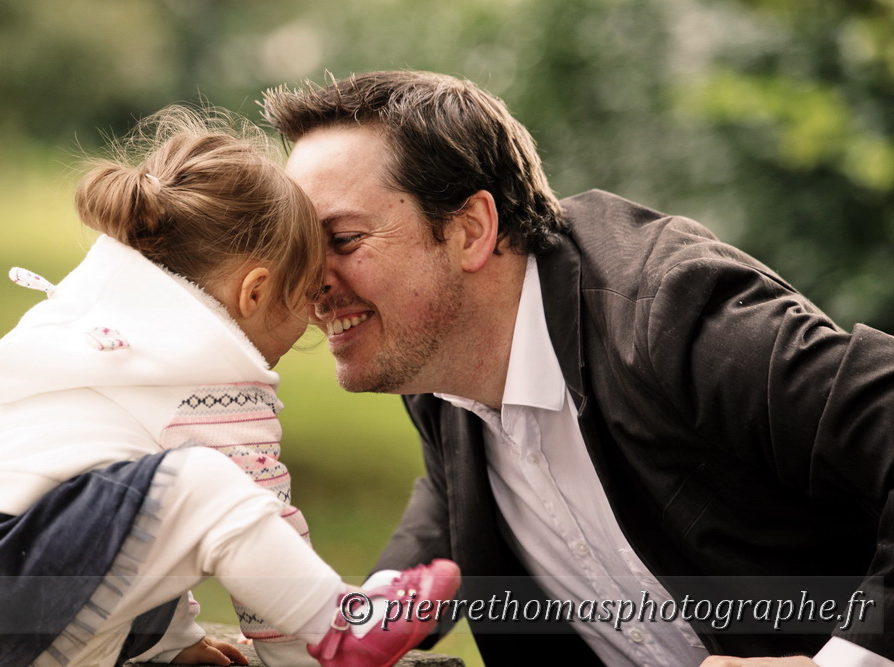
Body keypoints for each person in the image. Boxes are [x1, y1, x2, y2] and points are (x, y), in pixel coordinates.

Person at [261, 71, 894, 666]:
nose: (309, 282)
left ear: (470, 231)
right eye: (299, 250)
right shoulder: (438, 366)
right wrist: (355, 620)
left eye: (341, 240)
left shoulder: (672, 316)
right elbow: (450, 502)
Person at [0, 105, 460, 667]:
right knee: (203, 482)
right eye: (303, 299)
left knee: (171, 492)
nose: (311, 323)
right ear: (255, 292)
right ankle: (344, 627)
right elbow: (258, 525)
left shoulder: (106, 343)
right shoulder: (215, 380)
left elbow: (139, 524)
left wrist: (176, 645)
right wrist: (308, 649)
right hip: (13, 578)